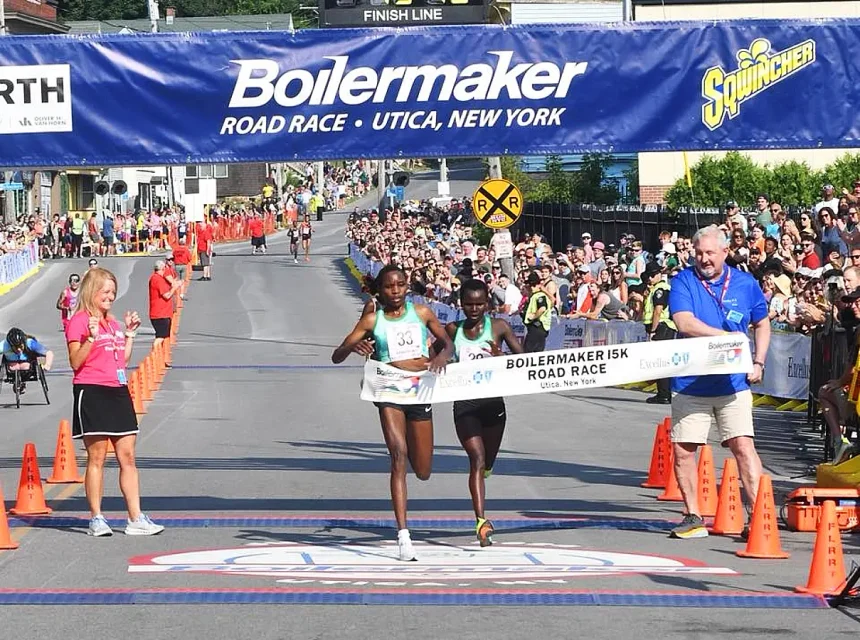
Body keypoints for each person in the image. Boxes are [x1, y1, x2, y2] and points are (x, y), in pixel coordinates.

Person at [331, 265, 452, 561]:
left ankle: (414, 460)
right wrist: (353, 345)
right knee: (397, 454)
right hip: (388, 391)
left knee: (422, 470)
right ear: (380, 290)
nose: (395, 291)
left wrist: (439, 356)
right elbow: (337, 355)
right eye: (389, 287)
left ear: (407, 286)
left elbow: (447, 343)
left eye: (400, 285)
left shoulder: (421, 313)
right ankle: (403, 535)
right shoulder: (373, 319)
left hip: (419, 391)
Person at [667, 225, 769, 540]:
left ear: (724, 252)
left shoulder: (745, 283)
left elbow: (762, 322)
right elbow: (684, 322)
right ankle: (693, 515)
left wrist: (759, 361)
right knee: (684, 449)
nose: (704, 258)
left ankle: (758, 516)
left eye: (710, 252)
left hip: (733, 384)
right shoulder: (684, 280)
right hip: (691, 382)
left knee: (743, 445)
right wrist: (724, 337)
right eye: (699, 253)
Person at [65, 268, 163, 537]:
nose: (110, 297)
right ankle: (96, 518)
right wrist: (91, 338)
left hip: (118, 390)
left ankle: (135, 518)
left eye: (113, 292)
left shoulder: (114, 323)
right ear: (92, 291)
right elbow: (75, 362)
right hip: (92, 390)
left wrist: (129, 335)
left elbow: (123, 361)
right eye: (105, 291)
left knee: (128, 456)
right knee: (97, 457)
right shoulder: (80, 321)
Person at [446, 278, 522, 547]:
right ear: (461, 304)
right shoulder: (453, 329)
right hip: (464, 405)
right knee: (476, 459)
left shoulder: (499, 326)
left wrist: (500, 356)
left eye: (479, 304)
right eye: (469, 304)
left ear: (488, 304)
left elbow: (522, 361)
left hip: (493, 405)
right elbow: (432, 357)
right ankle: (480, 521)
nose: (474, 309)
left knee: (487, 460)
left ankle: (488, 467)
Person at [642, 261, 677, 405]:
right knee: (660, 362)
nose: (649, 279)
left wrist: (653, 330)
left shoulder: (660, 289)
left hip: (662, 327)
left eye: (651, 276)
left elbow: (658, 311)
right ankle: (663, 392)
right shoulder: (655, 288)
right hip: (663, 328)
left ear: (658, 275)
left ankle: (664, 394)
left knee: (661, 362)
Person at [1, 327, 54, 395]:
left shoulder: (30, 343)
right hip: (12, 369)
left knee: (33, 359)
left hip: (28, 369)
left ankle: (22, 382)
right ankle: (18, 382)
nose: (18, 349)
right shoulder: (4, 345)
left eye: (20, 346)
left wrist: (47, 365)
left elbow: (49, 353)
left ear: (23, 342)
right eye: (15, 347)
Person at [149, 260, 179, 365]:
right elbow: (166, 295)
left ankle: (160, 358)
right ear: (162, 269)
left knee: (164, 336)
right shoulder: (157, 279)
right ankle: (154, 357)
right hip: (160, 313)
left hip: (162, 312)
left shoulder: (157, 278)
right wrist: (174, 288)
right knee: (161, 336)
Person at [522, 271, 551, 352]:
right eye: (530, 285)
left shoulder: (540, 295)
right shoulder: (534, 295)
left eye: (534, 285)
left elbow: (542, 308)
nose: (532, 287)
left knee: (527, 352)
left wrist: (533, 316)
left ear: (539, 285)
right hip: (537, 328)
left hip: (537, 327)